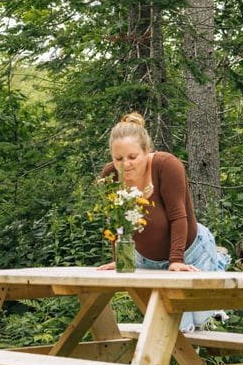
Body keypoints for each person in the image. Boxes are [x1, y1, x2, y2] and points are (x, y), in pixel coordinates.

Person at [97, 112, 230, 330]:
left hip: (190, 252)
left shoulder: (166, 165)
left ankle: (215, 261)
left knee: (198, 321)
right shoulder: (110, 176)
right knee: (176, 327)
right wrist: (121, 259)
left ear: (146, 151)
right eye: (118, 158)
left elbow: (178, 216)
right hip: (146, 260)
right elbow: (117, 221)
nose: (125, 165)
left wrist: (176, 260)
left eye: (132, 157)